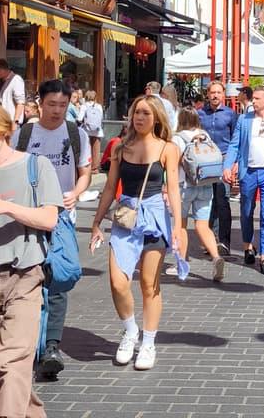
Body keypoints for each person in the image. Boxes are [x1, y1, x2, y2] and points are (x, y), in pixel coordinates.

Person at [89, 95, 182, 371]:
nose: (139, 118)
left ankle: (149, 341)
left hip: (154, 217)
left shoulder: (168, 148)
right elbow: (109, 187)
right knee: (118, 282)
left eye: (145, 113)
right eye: (135, 113)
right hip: (125, 217)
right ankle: (130, 331)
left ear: (156, 118)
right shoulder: (120, 148)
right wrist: (96, 222)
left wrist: (177, 225)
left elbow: (174, 188)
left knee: (149, 285)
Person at [13, 78, 92, 381]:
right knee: (27, 279)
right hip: (27, 216)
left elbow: (85, 172)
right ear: (40, 103)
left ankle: (52, 347)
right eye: (52, 104)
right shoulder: (24, 134)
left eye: (63, 105)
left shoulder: (76, 134)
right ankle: (27, 345)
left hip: (61, 217)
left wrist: (77, 192)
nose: (57, 110)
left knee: (58, 277)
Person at [0, 103, 62, 418]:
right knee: (11, 370)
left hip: (23, 275)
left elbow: (50, 218)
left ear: (4, 131)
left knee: (13, 361)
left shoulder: (34, 167)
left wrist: (7, 207)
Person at [223, 87, 264, 275]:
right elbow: (234, 145)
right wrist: (228, 165)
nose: (254, 101)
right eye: (254, 98)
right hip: (248, 172)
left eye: (258, 98)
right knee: (246, 211)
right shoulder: (244, 120)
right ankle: (248, 246)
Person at [172, 107, 226, 281]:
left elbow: (173, 165)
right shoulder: (204, 136)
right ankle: (216, 256)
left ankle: (181, 261)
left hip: (184, 185)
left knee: (181, 225)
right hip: (205, 184)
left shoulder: (177, 138)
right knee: (202, 225)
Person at [198, 80, 238, 256]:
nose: (215, 95)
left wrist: (233, 163)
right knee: (207, 200)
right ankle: (211, 240)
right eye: (212, 92)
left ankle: (224, 241)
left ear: (223, 95)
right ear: (207, 94)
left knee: (222, 200)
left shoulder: (230, 114)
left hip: (223, 159)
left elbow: (236, 140)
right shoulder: (200, 114)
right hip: (205, 160)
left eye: (218, 92)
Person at [81, 89, 104, 171]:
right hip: (97, 131)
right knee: (96, 150)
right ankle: (95, 168)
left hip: (86, 131)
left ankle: (88, 166)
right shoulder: (99, 106)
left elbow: (80, 118)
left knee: (87, 149)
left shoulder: (84, 106)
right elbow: (101, 118)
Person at [0, 57, 25, 126]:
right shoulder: (3, 82)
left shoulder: (16, 80)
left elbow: (20, 103)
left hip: (12, 123)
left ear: (2, 70)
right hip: (5, 122)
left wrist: (15, 122)